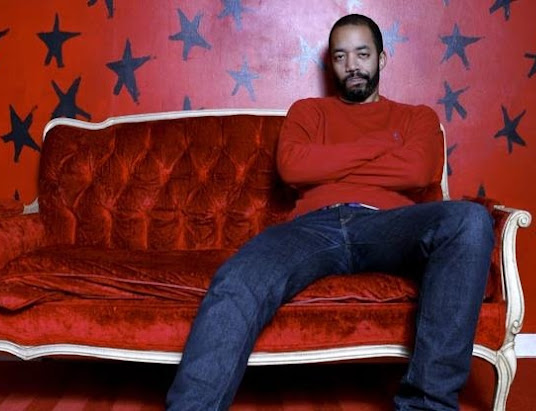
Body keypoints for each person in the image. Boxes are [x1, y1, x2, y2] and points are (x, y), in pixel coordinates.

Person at [166, 13, 494, 411]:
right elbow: (294, 169)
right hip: (314, 227)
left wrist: (327, 161)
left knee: (469, 220)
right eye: (340, 56)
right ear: (331, 64)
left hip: (389, 225)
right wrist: (380, 146)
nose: (352, 65)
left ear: (381, 59)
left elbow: (417, 170)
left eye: (362, 54)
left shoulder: (417, 117)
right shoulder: (308, 112)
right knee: (240, 275)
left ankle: (426, 407)